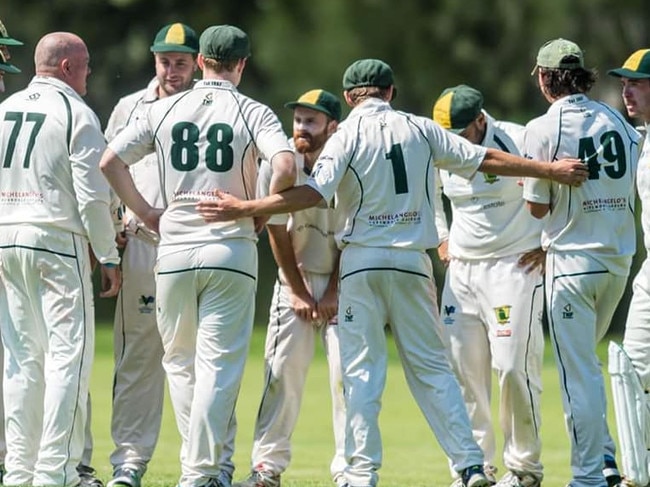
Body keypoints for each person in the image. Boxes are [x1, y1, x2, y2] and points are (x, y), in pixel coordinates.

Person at [195, 58, 588, 487]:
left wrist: (246, 208)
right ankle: (471, 465)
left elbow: (311, 193)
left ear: (348, 98)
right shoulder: (421, 127)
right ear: (390, 92)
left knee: (361, 373)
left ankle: (360, 474)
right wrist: (549, 170)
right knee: (434, 370)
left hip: (362, 265)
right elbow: (486, 159)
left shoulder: (344, 137)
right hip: (413, 266)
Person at [99, 24, 296, 487]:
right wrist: (259, 208)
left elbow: (110, 162)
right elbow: (285, 165)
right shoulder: (254, 111)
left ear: (200, 60)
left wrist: (147, 212)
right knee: (218, 365)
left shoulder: (163, 108)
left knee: (180, 363)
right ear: (242, 64)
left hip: (173, 249)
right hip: (230, 248)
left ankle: (200, 469)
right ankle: (202, 471)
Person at [0, 32, 121, 487]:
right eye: (86, 65)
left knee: (21, 359)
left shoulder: (5, 109)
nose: (89, 74)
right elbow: (92, 197)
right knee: (68, 359)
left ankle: (19, 471)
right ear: (69, 67)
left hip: (7, 237)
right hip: (56, 238)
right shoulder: (75, 112)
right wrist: (107, 253)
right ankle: (57, 471)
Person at [523, 38, 641, 487]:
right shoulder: (618, 119)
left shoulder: (542, 128)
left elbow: (536, 207)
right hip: (618, 262)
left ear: (545, 77)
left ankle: (589, 476)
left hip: (572, 263)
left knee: (577, 376)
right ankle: (607, 458)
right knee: (588, 369)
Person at [432, 85, 545, 487]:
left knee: (513, 368)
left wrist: (548, 244)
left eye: (461, 134)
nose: (455, 144)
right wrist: (441, 235)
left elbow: (556, 189)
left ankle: (524, 469)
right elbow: (428, 192)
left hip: (514, 265)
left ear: (481, 120)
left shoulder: (518, 137)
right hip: (462, 272)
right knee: (465, 372)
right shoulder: (439, 145)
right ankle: (474, 466)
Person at [103, 22, 199, 487]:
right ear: (154, 59)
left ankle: (201, 465)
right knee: (138, 357)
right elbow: (105, 174)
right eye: (165, 61)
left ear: (197, 62)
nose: (172, 70)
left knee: (196, 359)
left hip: (191, 245)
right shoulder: (128, 108)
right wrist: (109, 231)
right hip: (141, 245)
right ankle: (129, 463)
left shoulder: (206, 106)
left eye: (181, 62)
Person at [235, 89, 346, 487]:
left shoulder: (349, 163)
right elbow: (276, 232)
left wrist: (333, 290)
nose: (301, 128)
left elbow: (354, 236)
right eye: (298, 120)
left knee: (346, 377)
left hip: (343, 279)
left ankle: (350, 470)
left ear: (332, 127)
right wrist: (297, 290)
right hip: (293, 276)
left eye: (311, 122)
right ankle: (267, 468)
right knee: (281, 372)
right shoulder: (280, 164)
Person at [606, 48, 650, 486]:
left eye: (636, 82)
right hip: (649, 276)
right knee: (630, 371)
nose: (627, 90)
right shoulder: (641, 137)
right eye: (624, 83)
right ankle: (638, 475)